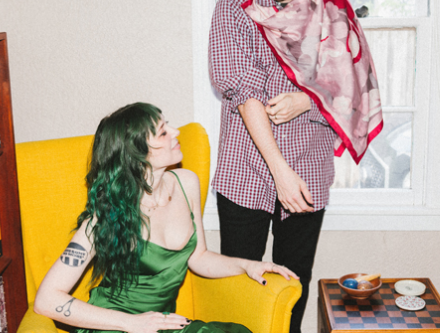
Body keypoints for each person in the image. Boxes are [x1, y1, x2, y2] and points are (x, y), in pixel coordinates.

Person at [208, 0, 383, 333]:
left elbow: (351, 86)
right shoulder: (235, 9)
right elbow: (243, 91)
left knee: (293, 286)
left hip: (309, 167)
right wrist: (280, 173)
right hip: (245, 169)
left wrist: (306, 100)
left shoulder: (334, 13)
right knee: (241, 290)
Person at [33, 102, 297, 333]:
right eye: (162, 132)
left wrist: (247, 265)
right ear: (136, 154)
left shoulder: (186, 182)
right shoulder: (106, 216)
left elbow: (198, 258)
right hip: (116, 327)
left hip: (163, 325)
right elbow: (46, 300)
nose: (176, 132)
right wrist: (131, 323)